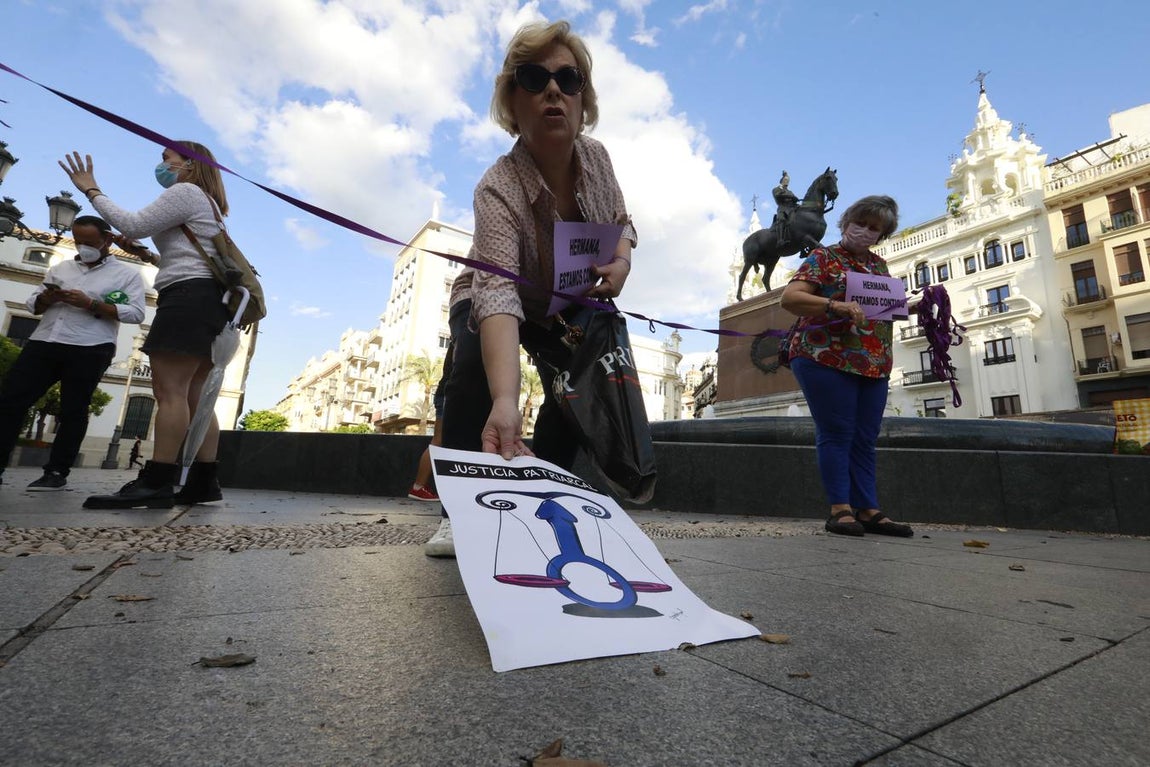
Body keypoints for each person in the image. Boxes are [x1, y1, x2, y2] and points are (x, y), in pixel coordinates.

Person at [426, 20, 637, 557]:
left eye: (569, 79)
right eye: (534, 77)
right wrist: (506, 400)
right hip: (488, 294)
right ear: (512, 102)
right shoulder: (497, 186)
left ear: (583, 100)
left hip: (563, 304)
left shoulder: (599, 158)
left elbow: (622, 222)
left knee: (573, 386)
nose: (553, 90)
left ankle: (543, 494)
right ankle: (459, 511)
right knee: (471, 371)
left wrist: (621, 262)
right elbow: (497, 293)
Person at [60, 142, 231, 509]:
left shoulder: (186, 192)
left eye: (167, 159)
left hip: (185, 297)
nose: (162, 165)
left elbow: (134, 224)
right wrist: (148, 255)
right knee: (196, 396)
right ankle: (204, 481)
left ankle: (156, 481)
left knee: (170, 392)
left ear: (190, 164)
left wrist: (91, 189)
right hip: (208, 301)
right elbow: (190, 257)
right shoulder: (210, 204)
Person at [779, 195, 913, 538]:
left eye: (874, 228)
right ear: (846, 222)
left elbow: (881, 310)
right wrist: (833, 305)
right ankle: (840, 509)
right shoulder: (823, 257)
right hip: (824, 356)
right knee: (837, 432)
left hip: (873, 362)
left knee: (865, 437)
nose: (865, 231)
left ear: (882, 234)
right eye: (861, 223)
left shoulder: (880, 267)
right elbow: (790, 298)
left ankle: (868, 509)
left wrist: (914, 306)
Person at [0, 216, 146, 491]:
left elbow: (136, 313)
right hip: (45, 340)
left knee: (73, 410)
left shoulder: (127, 275)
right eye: (78, 241)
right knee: (10, 400)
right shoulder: (60, 268)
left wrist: (91, 304)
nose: (83, 247)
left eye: (89, 242)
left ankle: (56, 471)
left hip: (91, 346)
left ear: (107, 239)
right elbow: (32, 305)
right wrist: (46, 298)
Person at [408, 346, 453, 503]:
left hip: (446, 391)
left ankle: (418, 487)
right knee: (439, 441)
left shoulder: (458, 337)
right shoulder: (464, 335)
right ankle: (418, 487)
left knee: (439, 441)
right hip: (451, 392)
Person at [771, 170, 798, 246]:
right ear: (782, 180)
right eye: (786, 180)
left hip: (792, 208)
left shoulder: (790, 191)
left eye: (788, 180)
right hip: (783, 208)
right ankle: (780, 240)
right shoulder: (776, 189)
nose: (787, 182)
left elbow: (793, 199)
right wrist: (791, 196)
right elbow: (777, 196)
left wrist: (795, 199)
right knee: (782, 219)